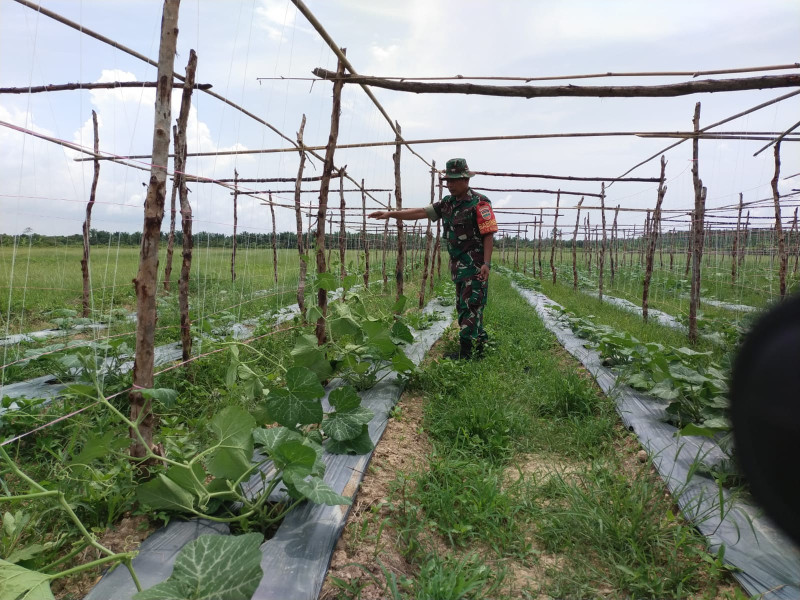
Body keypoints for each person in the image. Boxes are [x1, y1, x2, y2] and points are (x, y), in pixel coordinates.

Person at [369, 158, 497, 359]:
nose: (450, 185)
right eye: (448, 180)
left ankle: (467, 354)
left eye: (454, 180)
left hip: (475, 266)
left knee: (470, 306)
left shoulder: (480, 202)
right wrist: (390, 214)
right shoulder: (447, 204)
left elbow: (488, 234)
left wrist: (486, 264)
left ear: (466, 179)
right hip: (458, 266)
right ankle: (479, 347)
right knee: (466, 306)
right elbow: (421, 212)